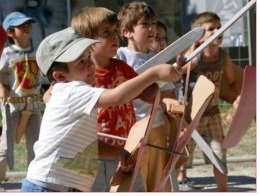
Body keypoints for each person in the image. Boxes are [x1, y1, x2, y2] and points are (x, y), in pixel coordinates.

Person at [20, 27, 182, 192]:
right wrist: (153, 74)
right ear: (60, 77)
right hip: (47, 188)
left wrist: (118, 153)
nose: (90, 64)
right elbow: (117, 97)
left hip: (59, 187)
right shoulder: (72, 91)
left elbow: (86, 145)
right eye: (81, 62)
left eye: (88, 56)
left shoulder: (70, 94)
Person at [71, 7, 169, 192]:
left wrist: (162, 82)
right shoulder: (80, 73)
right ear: (86, 40)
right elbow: (53, 95)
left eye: (115, 31)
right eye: (106, 32)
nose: (115, 36)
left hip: (126, 151)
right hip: (93, 154)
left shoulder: (122, 68)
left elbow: (148, 94)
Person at [116, 2, 178, 191]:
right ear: (127, 31)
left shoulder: (158, 58)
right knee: (134, 183)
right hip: (131, 129)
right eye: (145, 24)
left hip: (156, 127)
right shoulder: (120, 57)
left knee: (157, 182)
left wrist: (173, 105)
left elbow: (167, 94)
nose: (152, 29)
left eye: (154, 23)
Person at [178, 11, 240, 192]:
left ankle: (223, 190)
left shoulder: (223, 56)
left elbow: (232, 82)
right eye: (210, 29)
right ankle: (179, 181)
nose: (217, 31)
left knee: (219, 154)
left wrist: (237, 99)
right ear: (199, 34)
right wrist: (192, 47)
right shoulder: (194, 56)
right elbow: (181, 70)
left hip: (213, 114)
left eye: (219, 27)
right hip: (191, 115)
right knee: (182, 155)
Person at [0, 12, 42, 192]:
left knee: (35, 145)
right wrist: (1, 88)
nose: (26, 26)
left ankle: (33, 179)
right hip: (13, 106)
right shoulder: (6, 53)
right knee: (6, 145)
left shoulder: (37, 51)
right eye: (21, 25)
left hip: (33, 105)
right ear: (10, 32)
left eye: (28, 23)